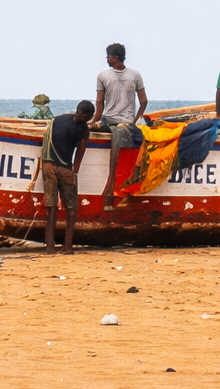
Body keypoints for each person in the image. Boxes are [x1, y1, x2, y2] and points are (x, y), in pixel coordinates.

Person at [95, 43, 146, 209]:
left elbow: (99, 103)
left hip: (108, 121)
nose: (107, 60)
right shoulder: (135, 75)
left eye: (108, 56)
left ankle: (110, 193)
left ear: (114, 57)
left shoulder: (102, 75)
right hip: (127, 123)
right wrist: (134, 120)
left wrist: (94, 121)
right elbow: (144, 101)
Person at [41, 100, 94, 252]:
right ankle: (67, 245)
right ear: (89, 117)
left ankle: (50, 245)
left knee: (51, 205)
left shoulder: (57, 119)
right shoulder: (83, 129)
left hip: (48, 165)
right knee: (71, 207)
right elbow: (81, 151)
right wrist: (74, 170)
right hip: (65, 169)